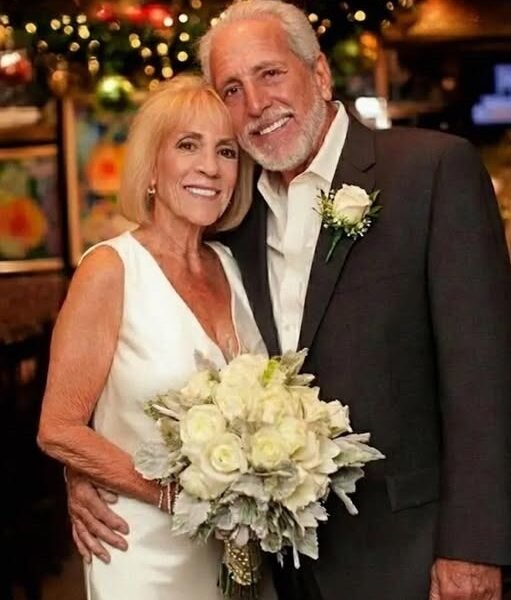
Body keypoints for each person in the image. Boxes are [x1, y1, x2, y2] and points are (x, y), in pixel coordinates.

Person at [64, 2, 511, 599]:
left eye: (270, 73)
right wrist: (85, 470)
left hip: (412, 554)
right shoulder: (228, 217)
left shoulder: (430, 171)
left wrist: (475, 547)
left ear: (319, 74)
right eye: (232, 89)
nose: (256, 103)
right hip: (280, 566)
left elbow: (485, 376)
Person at [37, 73, 270, 600]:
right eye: (188, 145)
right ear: (151, 168)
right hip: (144, 552)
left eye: (226, 152)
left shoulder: (233, 266)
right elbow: (58, 428)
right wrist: (182, 499)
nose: (210, 167)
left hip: (240, 551)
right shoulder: (110, 269)